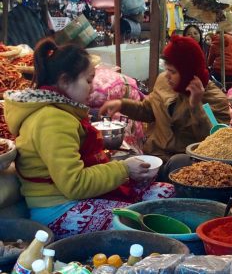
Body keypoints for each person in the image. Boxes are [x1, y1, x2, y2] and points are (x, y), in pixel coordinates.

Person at [3, 38, 156, 239]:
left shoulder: (59, 112)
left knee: (162, 194)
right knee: (141, 220)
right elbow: (74, 184)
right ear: (65, 81)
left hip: (71, 200)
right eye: (88, 80)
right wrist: (124, 168)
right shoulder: (52, 119)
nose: (92, 88)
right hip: (58, 210)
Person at [99, 35, 230, 180]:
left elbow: (216, 141)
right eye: (166, 69)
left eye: (173, 72)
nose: (167, 76)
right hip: (155, 157)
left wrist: (196, 106)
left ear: (189, 73)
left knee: (177, 162)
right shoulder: (163, 81)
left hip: (187, 165)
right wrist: (122, 105)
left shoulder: (215, 99)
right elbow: (148, 110)